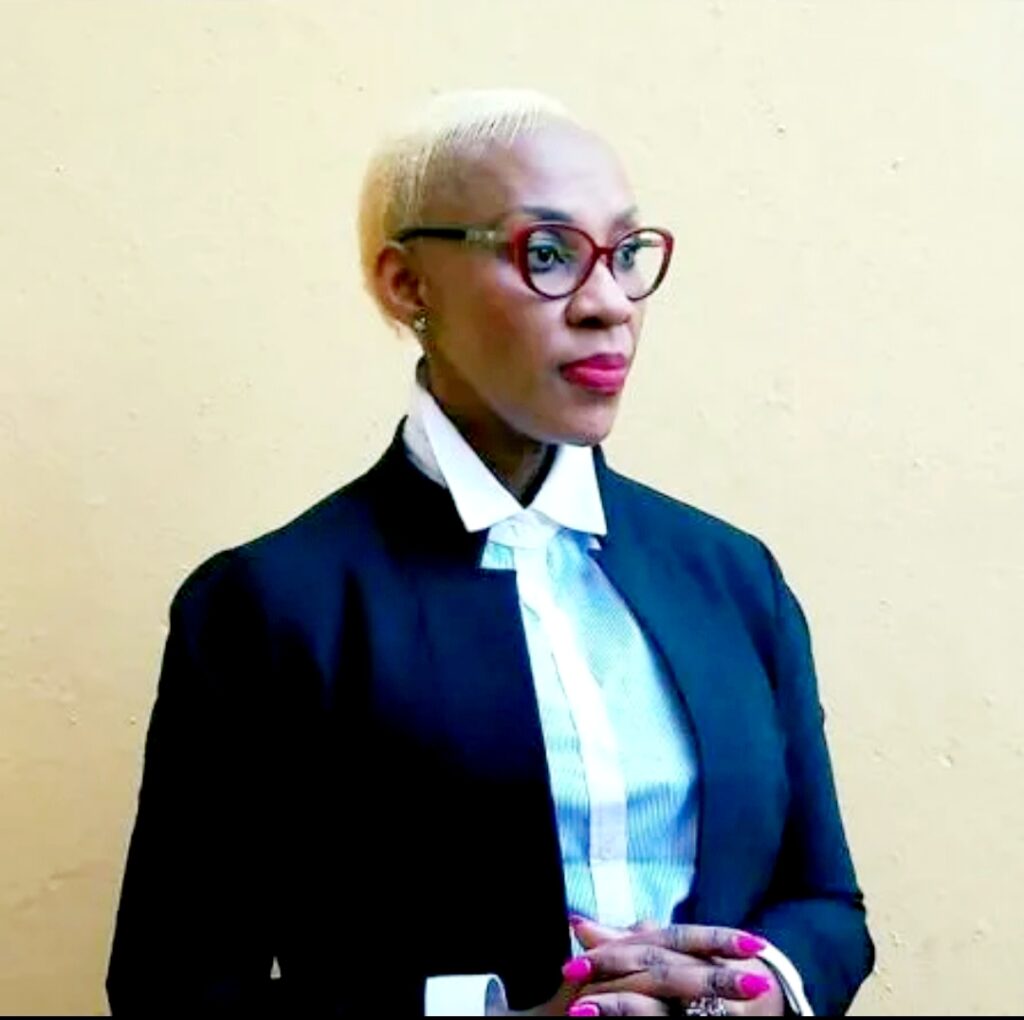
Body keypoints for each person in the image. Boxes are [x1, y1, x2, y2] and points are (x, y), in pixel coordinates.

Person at [107, 89, 873, 1016]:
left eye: (626, 255)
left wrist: (758, 988)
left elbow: (827, 906)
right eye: (547, 254)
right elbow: (173, 987)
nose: (608, 304)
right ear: (408, 284)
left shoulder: (732, 576)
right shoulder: (268, 607)